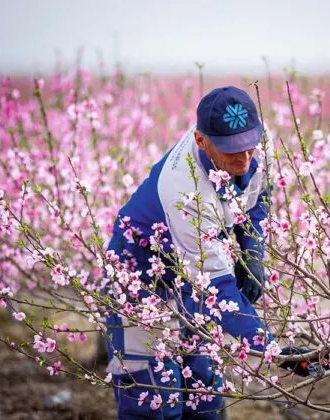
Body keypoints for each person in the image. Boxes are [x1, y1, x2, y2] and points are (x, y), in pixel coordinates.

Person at [104, 86, 276, 419]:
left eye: (249, 147)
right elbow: (216, 286)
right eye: (232, 151)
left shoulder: (251, 146)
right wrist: (271, 348)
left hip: (190, 277)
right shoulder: (182, 189)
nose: (244, 158)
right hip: (139, 283)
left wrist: (252, 251)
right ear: (200, 140)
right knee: (153, 399)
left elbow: (257, 200)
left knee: (204, 393)